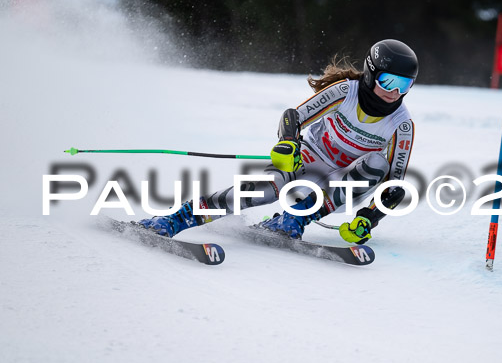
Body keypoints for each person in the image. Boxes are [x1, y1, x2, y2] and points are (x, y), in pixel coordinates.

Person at [138, 39, 418, 245]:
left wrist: (369, 218)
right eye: (388, 81)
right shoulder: (346, 91)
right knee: (269, 188)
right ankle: (178, 218)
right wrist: (288, 144)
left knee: (377, 163)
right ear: (370, 73)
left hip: (344, 182)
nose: (394, 92)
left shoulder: (401, 125)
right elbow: (293, 117)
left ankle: (294, 218)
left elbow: (393, 188)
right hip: (309, 159)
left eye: (403, 85)